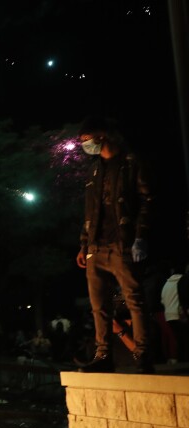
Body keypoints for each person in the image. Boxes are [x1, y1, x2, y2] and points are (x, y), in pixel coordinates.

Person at [75, 116, 154, 373]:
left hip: (123, 242)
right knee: (99, 306)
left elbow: (147, 200)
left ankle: (142, 354)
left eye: (87, 139)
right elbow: (90, 209)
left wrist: (140, 236)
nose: (85, 145)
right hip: (96, 247)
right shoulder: (95, 169)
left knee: (134, 299)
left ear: (102, 135)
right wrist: (84, 244)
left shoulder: (131, 162)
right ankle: (103, 355)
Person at [161, 266, 186, 364]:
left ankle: (176, 359)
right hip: (180, 314)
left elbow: (162, 300)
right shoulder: (183, 281)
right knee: (183, 339)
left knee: (176, 338)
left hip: (168, 315)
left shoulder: (166, 284)